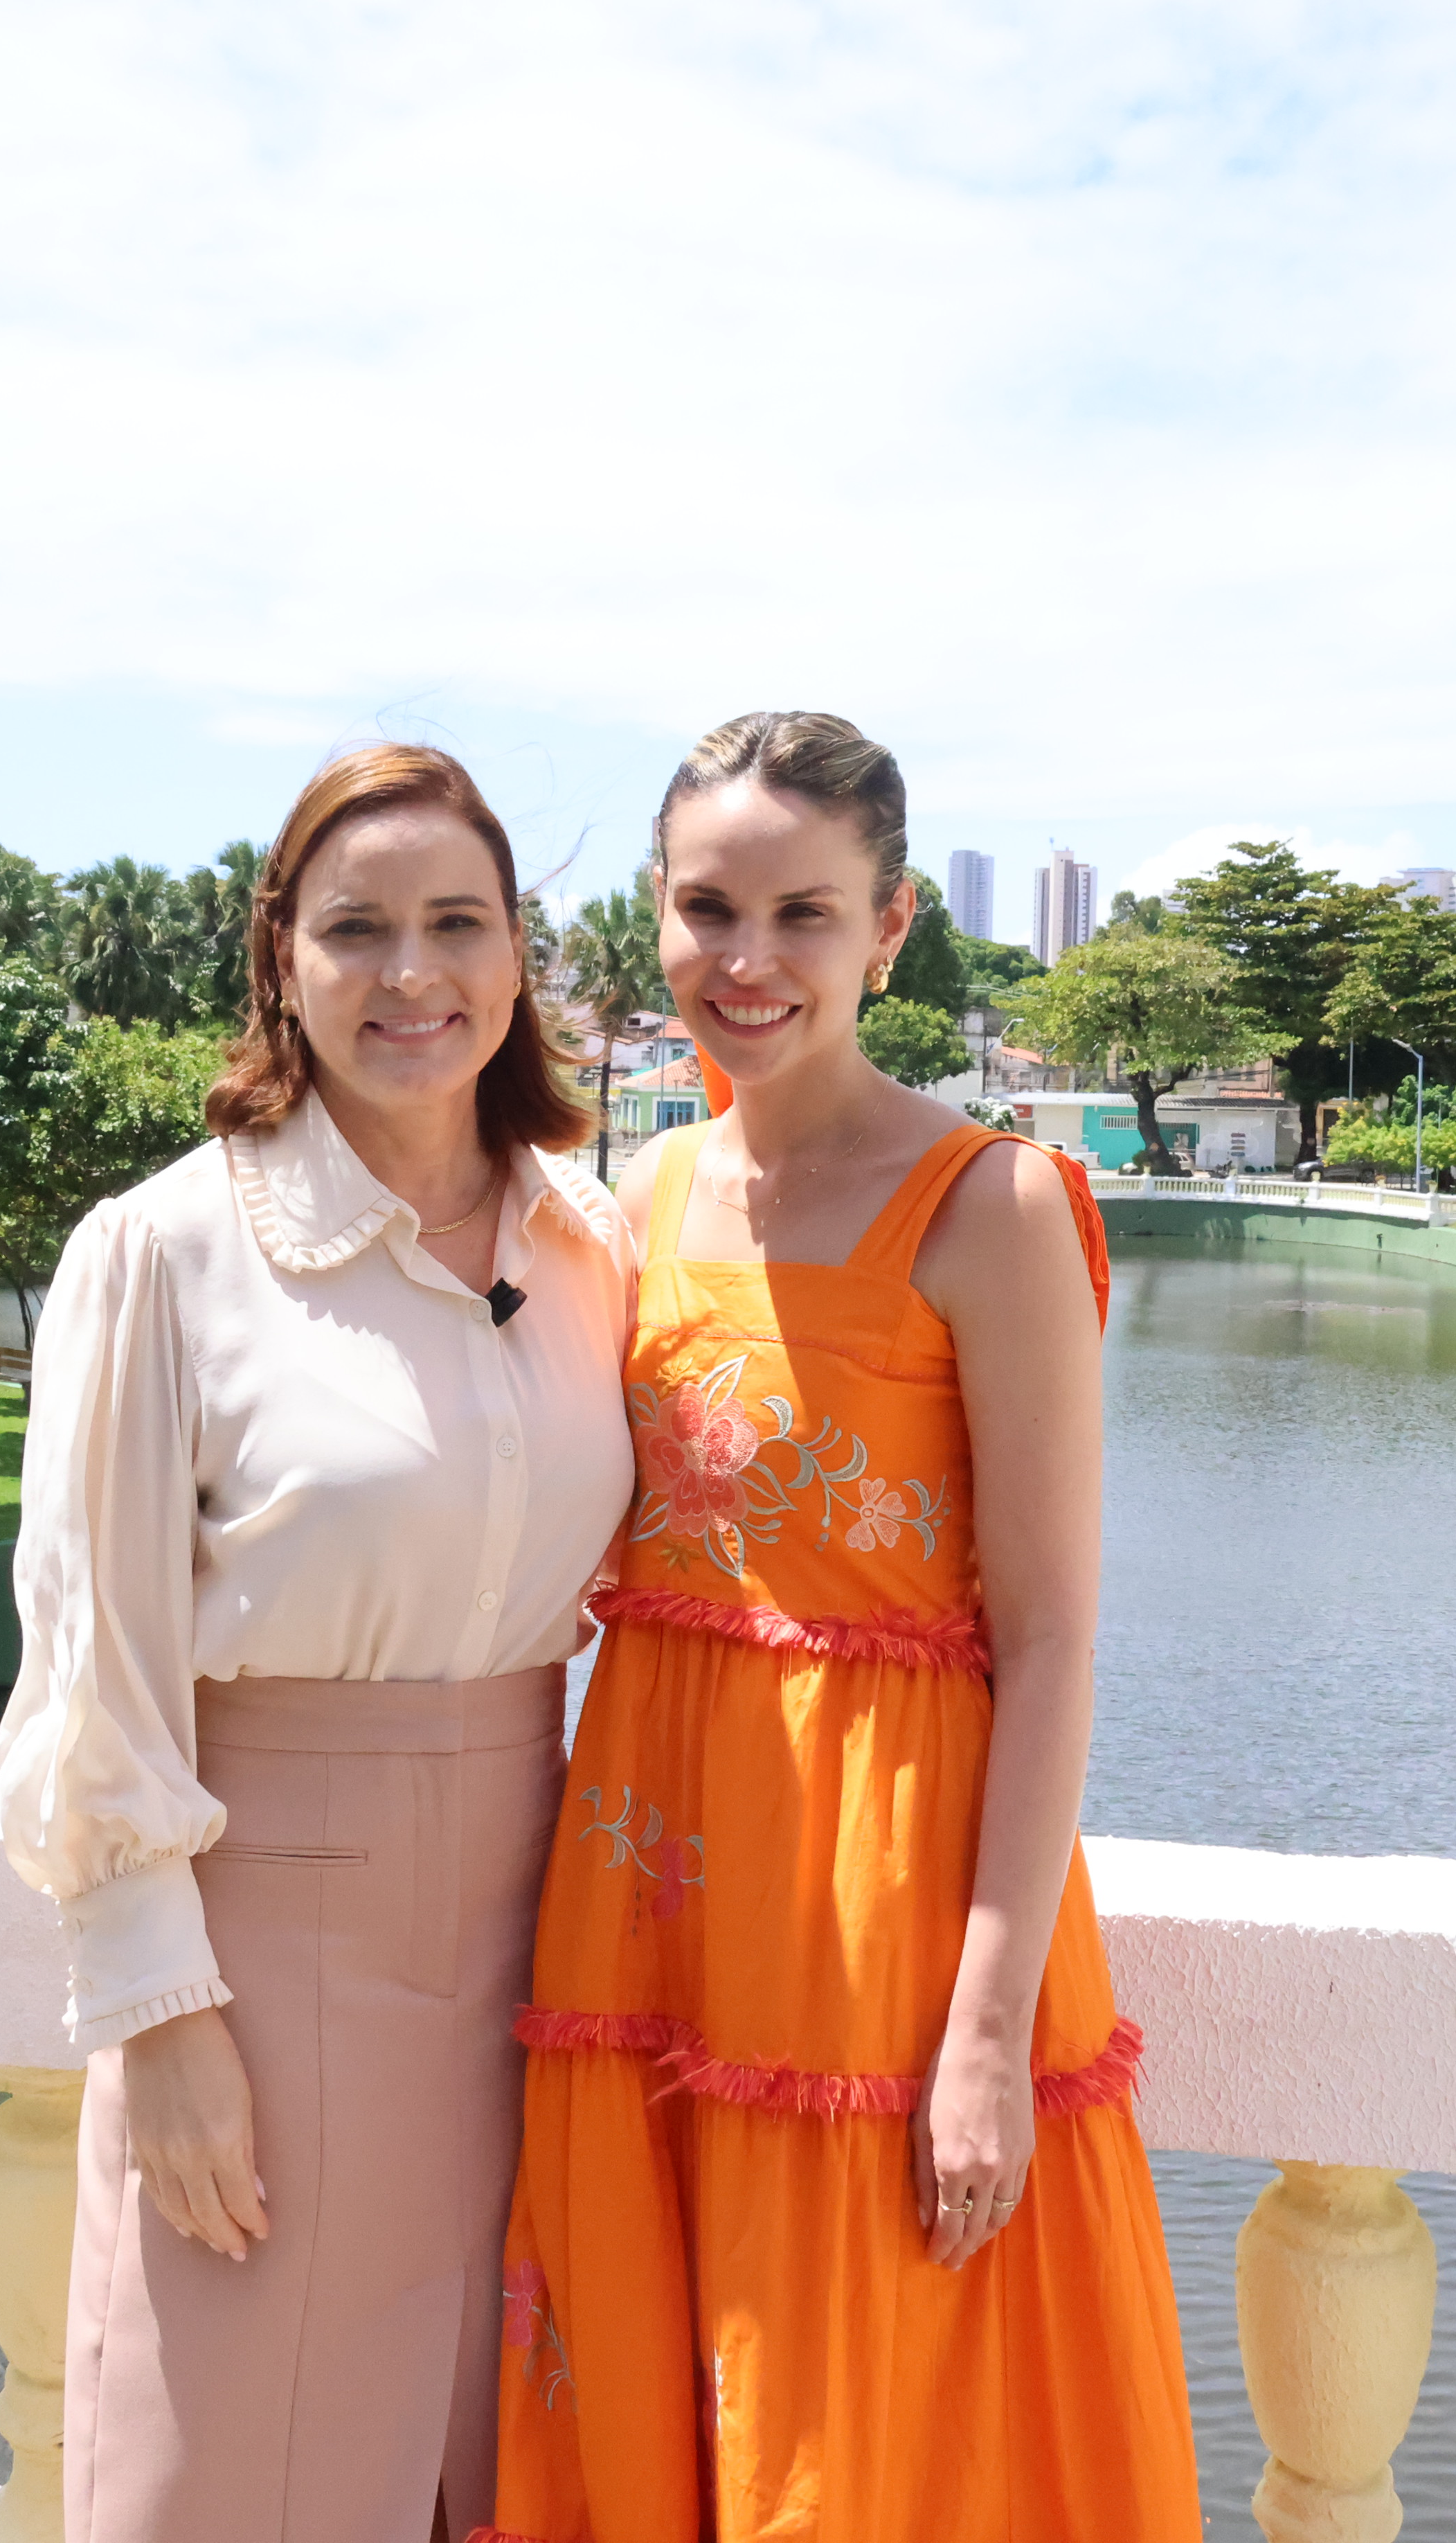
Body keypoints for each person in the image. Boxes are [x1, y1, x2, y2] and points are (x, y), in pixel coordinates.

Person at [481, 713, 1202, 2543]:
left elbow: (1052, 1641)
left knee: (854, 2407)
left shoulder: (994, 1205)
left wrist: (985, 2034)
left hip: (880, 1907)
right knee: (651, 2378)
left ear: (888, 930)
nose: (747, 959)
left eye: (802, 913)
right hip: (650, 1875)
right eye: (707, 909)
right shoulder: (640, 1198)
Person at [0, 742, 639, 2543]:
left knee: (490, 2470)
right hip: (267, 1959)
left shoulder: (589, 1243)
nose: (411, 973)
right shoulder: (166, 1252)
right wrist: (160, 2020)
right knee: (237, 2466)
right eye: (357, 928)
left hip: (547, 1945)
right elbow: (92, 1665)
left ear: (518, 955)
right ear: (282, 953)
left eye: (458, 923)